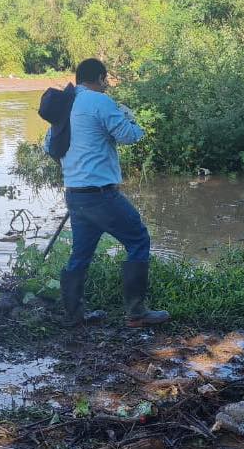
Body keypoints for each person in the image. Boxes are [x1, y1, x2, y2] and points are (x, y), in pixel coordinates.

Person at [47, 58, 169, 328]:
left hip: (75, 194)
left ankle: (73, 315)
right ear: (101, 78)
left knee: (80, 254)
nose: (107, 86)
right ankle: (137, 313)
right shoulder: (99, 102)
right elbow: (130, 136)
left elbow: (50, 147)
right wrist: (129, 116)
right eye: (106, 81)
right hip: (100, 195)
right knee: (138, 239)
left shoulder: (64, 105)